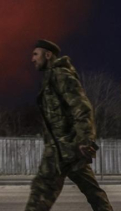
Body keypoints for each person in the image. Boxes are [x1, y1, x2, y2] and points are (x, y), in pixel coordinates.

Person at [25, 39, 113, 211]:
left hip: (65, 149)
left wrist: (85, 141)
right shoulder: (50, 78)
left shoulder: (60, 75)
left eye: (35, 54)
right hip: (63, 149)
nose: (32, 59)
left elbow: (82, 108)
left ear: (48, 55)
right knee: (92, 193)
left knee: (41, 193)